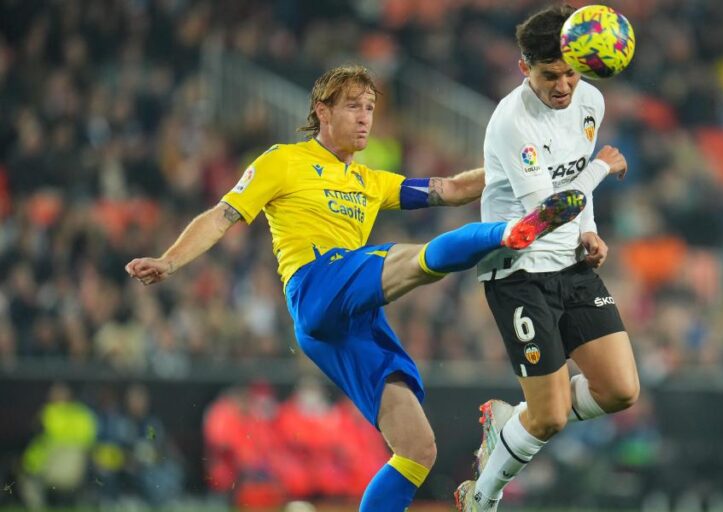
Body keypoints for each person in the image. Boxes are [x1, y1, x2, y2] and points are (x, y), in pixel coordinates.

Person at [125, 64, 587, 512]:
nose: (365, 117)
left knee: (417, 448)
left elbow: (448, 188)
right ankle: (511, 233)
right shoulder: (282, 160)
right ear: (322, 111)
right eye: (352, 106)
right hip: (316, 284)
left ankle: (513, 231)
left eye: (369, 107)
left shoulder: (370, 182)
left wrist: (516, 167)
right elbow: (222, 215)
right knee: (413, 258)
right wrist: (170, 260)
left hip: (347, 319)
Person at [455, 5, 639, 510]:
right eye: (550, 75)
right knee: (551, 418)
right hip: (518, 272)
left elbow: (573, 176)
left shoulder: (590, 101)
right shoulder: (512, 122)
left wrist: (590, 230)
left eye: (571, 74)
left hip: (571, 265)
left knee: (621, 390)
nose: (563, 86)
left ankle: (511, 422)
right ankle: (482, 497)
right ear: (523, 69)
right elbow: (545, 212)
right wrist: (601, 169)